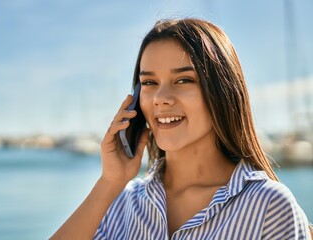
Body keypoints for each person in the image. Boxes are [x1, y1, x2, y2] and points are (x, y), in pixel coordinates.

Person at [50, 18, 312, 239]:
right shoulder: (120, 201)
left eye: (183, 79)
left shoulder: (269, 205)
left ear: (222, 91)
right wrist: (109, 183)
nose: (160, 98)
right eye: (149, 82)